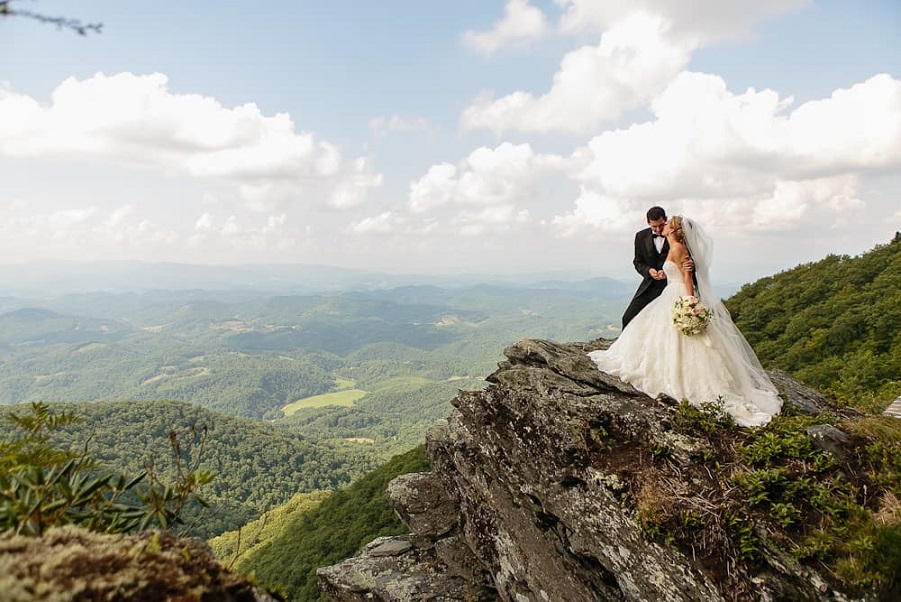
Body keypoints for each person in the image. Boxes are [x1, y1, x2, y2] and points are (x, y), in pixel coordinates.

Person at [590, 216, 782, 427]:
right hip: (670, 293)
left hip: (679, 295)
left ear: (673, 229)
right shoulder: (675, 247)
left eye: (668, 223)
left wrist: (690, 303)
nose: (664, 226)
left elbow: (687, 278)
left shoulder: (679, 248)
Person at [621, 206, 670, 329]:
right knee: (628, 317)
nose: (658, 229)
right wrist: (648, 270)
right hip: (649, 285)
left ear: (666, 219)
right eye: (654, 226)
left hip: (671, 285)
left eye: (661, 225)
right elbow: (637, 262)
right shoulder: (640, 236)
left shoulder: (675, 234)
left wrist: (668, 271)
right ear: (648, 222)